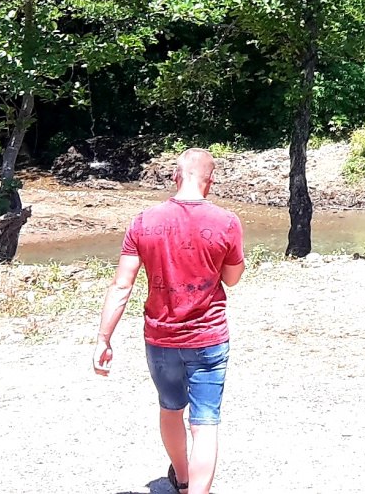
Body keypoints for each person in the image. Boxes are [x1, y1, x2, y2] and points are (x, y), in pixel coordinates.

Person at [94, 149, 246, 494]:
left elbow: (122, 284)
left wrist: (104, 338)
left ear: (176, 177)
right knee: (205, 422)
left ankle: (182, 478)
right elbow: (232, 278)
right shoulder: (226, 221)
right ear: (209, 181)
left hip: (160, 337)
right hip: (208, 336)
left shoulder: (144, 220)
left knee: (170, 408)